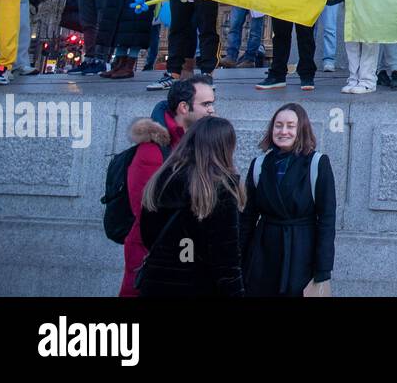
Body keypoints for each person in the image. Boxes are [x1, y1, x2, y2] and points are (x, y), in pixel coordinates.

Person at [120, 76, 215, 296]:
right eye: (206, 104)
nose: (212, 110)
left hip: (185, 250)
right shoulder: (152, 150)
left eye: (212, 103)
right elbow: (146, 213)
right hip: (151, 253)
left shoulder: (196, 140)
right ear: (184, 107)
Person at [137, 115, 245, 298]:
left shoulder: (162, 178)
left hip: (156, 284)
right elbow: (226, 261)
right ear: (225, 147)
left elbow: (148, 236)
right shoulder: (220, 189)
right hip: (198, 286)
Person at [240, 103, 336, 297]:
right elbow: (248, 216)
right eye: (278, 125)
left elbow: (327, 218)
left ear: (301, 129)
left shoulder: (318, 163)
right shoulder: (259, 164)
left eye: (290, 126)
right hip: (263, 254)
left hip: (302, 253)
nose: (283, 131)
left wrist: (323, 269)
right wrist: (239, 256)